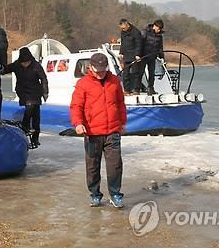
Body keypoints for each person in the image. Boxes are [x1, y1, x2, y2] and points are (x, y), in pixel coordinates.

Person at [70, 53, 127, 208]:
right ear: (91, 67)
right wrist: (78, 123)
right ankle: (95, 194)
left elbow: (120, 103)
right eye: (98, 70)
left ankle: (115, 194)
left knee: (115, 166)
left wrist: (122, 122)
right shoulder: (83, 83)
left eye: (104, 69)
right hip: (92, 132)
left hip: (112, 131)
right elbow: (76, 106)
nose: (101, 73)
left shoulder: (114, 81)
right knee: (92, 166)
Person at [2, 47, 48, 149]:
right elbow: (5, 69)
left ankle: (35, 138)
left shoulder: (36, 65)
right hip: (23, 92)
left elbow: (43, 79)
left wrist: (45, 92)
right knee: (30, 107)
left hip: (35, 92)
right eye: (23, 62)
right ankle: (25, 126)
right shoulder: (17, 65)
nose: (25, 64)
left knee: (36, 114)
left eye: (27, 62)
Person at [118, 19, 142, 95]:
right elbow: (123, 43)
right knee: (125, 74)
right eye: (121, 28)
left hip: (134, 55)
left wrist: (138, 54)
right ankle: (126, 90)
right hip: (126, 55)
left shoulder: (136, 32)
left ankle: (136, 89)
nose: (122, 29)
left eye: (123, 28)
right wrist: (121, 52)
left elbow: (139, 44)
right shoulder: (123, 32)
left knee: (136, 73)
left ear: (127, 25)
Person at [141, 19, 165, 95]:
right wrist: (138, 54)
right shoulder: (145, 32)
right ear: (155, 26)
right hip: (144, 56)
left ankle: (151, 88)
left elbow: (160, 47)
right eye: (158, 28)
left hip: (152, 56)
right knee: (140, 72)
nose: (159, 30)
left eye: (160, 29)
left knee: (152, 73)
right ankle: (137, 88)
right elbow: (140, 43)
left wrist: (162, 57)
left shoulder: (159, 36)